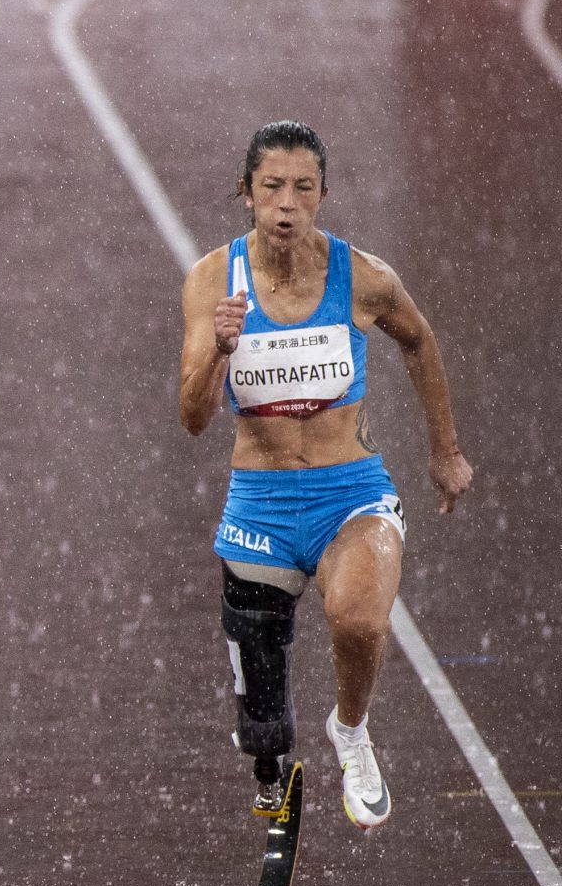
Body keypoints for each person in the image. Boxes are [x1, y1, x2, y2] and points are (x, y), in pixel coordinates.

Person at [179, 120, 470, 830]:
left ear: (323, 196)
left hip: (351, 494)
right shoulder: (215, 280)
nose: (287, 204)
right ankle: (269, 768)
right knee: (264, 724)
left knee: (361, 615)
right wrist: (219, 350)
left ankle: (352, 729)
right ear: (246, 193)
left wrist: (445, 451)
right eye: (272, 187)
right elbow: (192, 416)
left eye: (303, 188)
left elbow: (419, 340)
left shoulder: (362, 277)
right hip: (261, 500)